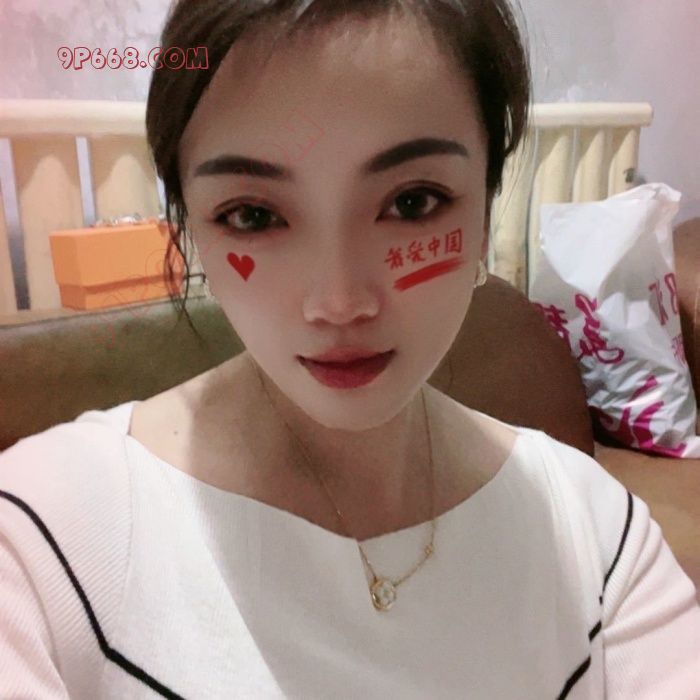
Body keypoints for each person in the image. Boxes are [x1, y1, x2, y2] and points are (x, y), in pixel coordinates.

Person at [1, 0, 699, 697]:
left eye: (414, 202)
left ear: (485, 212)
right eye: (253, 215)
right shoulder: (43, 539)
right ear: (190, 228)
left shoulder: (595, 535)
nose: (338, 303)